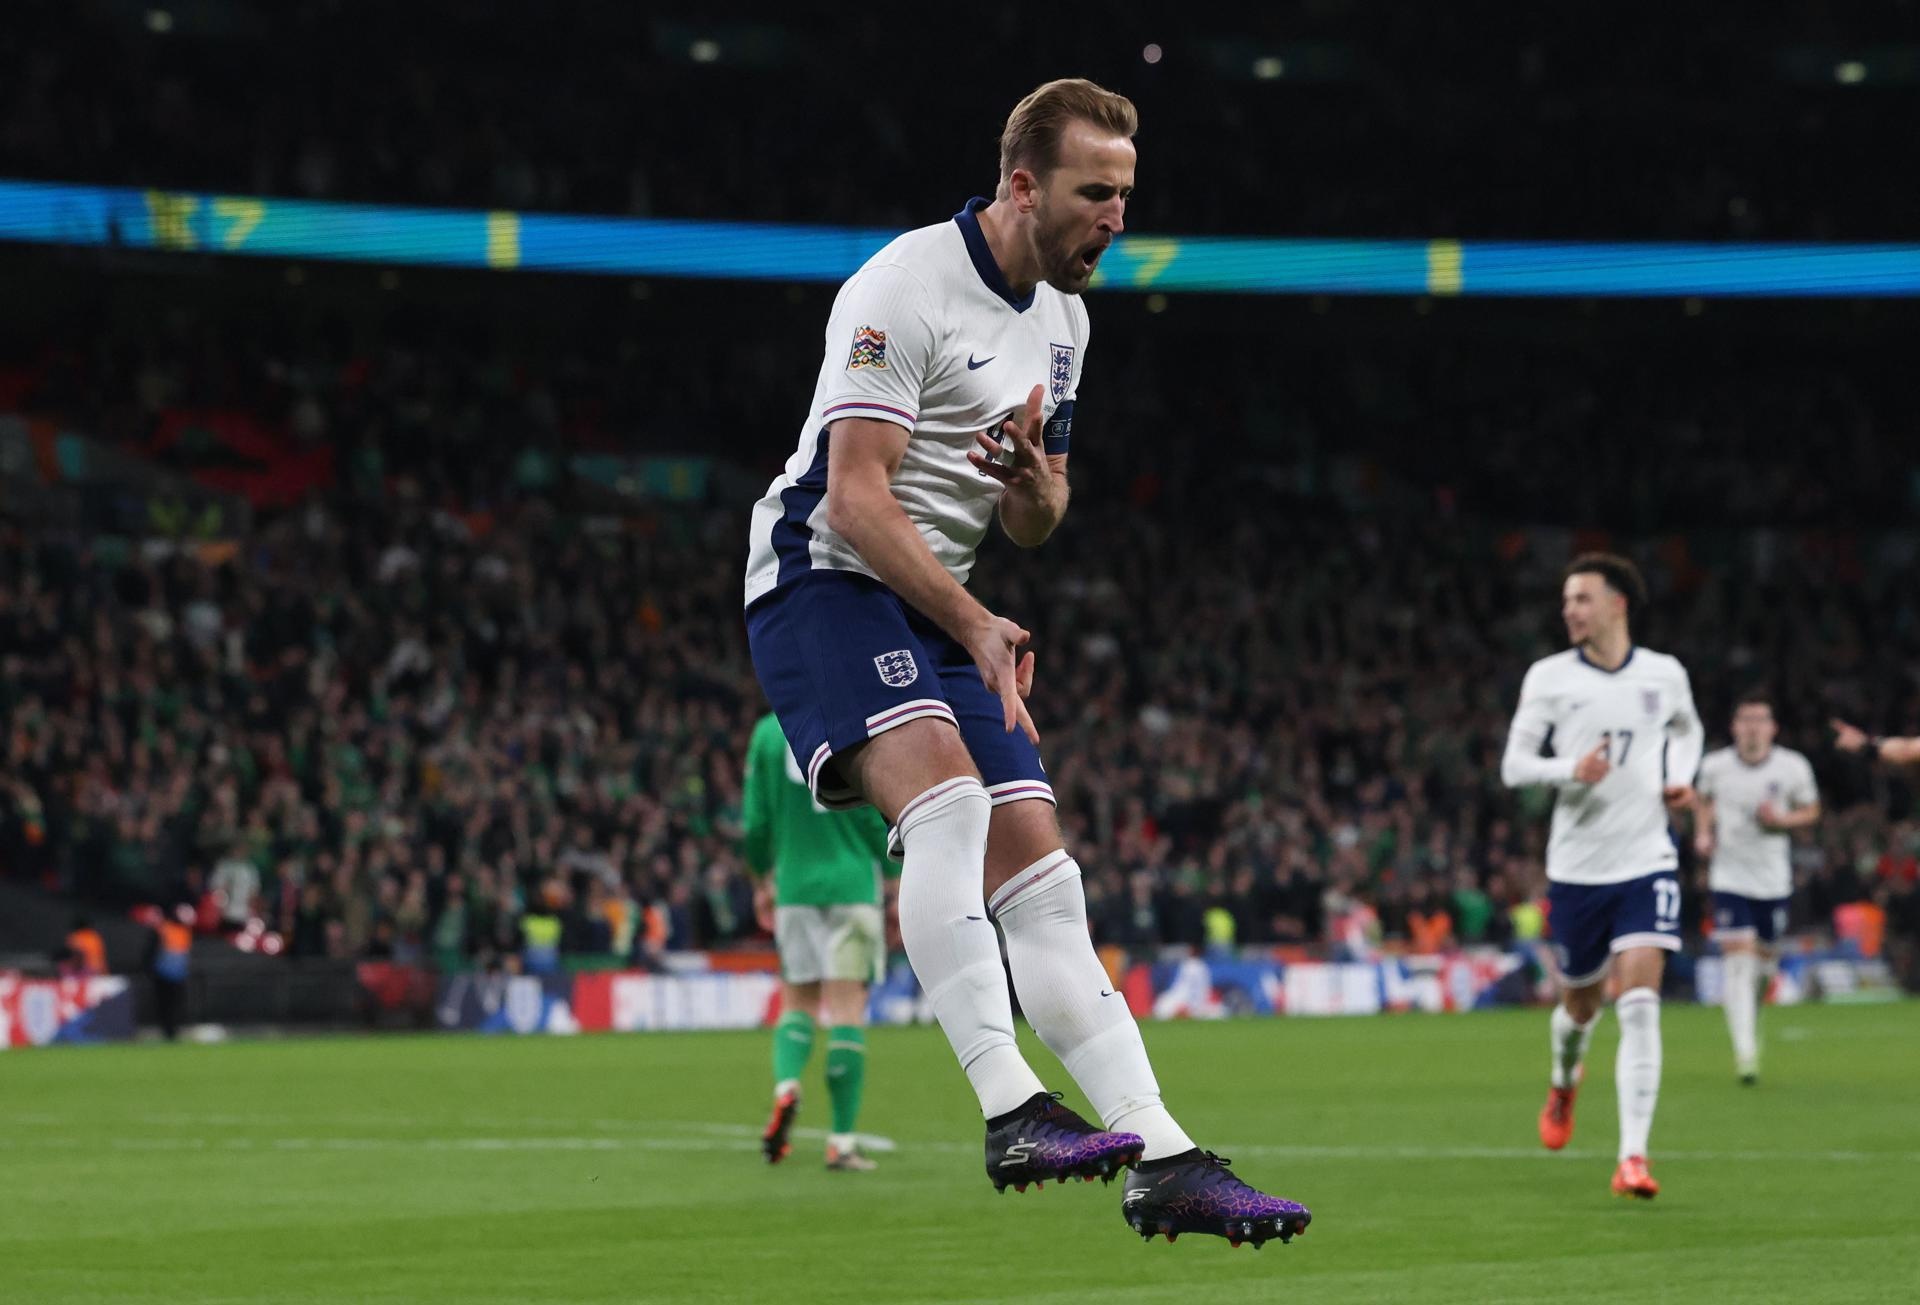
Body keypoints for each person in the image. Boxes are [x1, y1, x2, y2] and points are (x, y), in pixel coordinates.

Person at [741, 78, 1308, 1246]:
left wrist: (1041, 493)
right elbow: (851, 501)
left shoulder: (1066, 322)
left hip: (939, 605)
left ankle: (1165, 1157)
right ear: (1020, 185)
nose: (1116, 217)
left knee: (1046, 888)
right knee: (946, 805)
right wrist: (976, 620)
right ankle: (1012, 1109)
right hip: (823, 578)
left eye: (1126, 195)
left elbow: (1031, 522)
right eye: (1095, 192)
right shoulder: (902, 287)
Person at [1501, 554, 1703, 1200]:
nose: (1570, 610)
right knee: (1580, 1004)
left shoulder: (1663, 673)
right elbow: (1514, 764)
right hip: (1578, 867)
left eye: (1582, 598)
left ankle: (1633, 1157)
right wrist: (1568, 771)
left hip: (1647, 858)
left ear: (1617, 603)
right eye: (1566, 600)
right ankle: (1564, 1083)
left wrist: (1682, 778)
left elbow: (1689, 729)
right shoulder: (1550, 677)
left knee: (1641, 1003)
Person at [743, 711, 894, 1172]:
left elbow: (755, 821)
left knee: (798, 1003)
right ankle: (841, 1142)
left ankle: (787, 1085)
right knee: (846, 1010)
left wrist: (762, 878)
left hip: (795, 888)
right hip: (852, 887)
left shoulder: (767, 734)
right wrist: (893, 875)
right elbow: (873, 813)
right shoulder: (852, 719)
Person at [1695, 692, 1820, 1084]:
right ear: (1734, 727)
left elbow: (1811, 810)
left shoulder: (1791, 766)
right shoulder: (1715, 766)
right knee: (1737, 961)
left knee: (1764, 965)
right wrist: (1702, 833)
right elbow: (1702, 800)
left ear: (1772, 728)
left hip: (1772, 878)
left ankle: (1754, 1012)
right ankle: (1745, 1054)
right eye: (1745, 719)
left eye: (1759, 719)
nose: (1752, 727)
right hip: (1729, 876)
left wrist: (1781, 820)